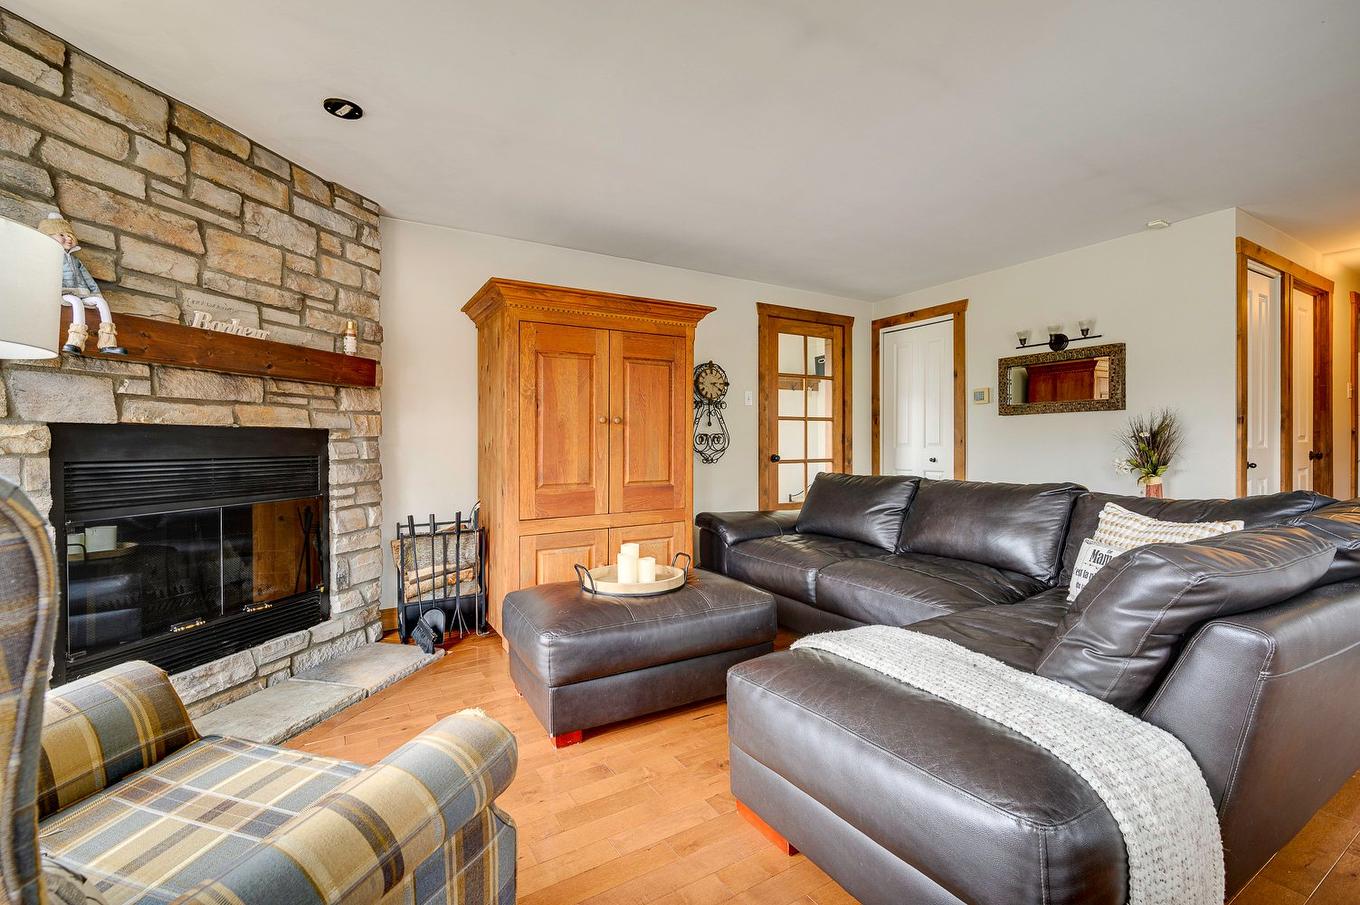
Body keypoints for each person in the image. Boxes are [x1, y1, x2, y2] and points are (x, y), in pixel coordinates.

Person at [37, 213, 126, 355]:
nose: (68, 238)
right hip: (63, 293)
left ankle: (108, 342)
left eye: (69, 235)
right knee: (76, 301)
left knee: (101, 302)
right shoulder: (49, 258)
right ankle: (75, 341)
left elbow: (88, 279)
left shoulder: (76, 261)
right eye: (61, 234)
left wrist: (96, 294)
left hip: (82, 292)